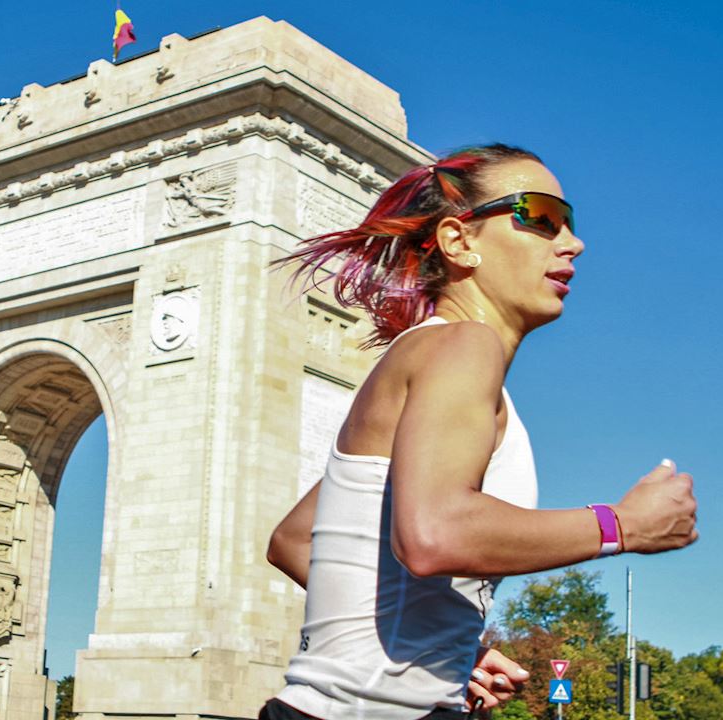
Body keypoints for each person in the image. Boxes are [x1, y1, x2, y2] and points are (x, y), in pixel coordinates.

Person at [263, 144, 699, 719]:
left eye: (570, 224)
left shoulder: (442, 356)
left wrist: (449, 653)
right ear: (459, 240)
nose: (572, 243)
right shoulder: (463, 345)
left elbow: (296, 538)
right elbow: (434, 535)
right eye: (540, 217)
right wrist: (622, 526)